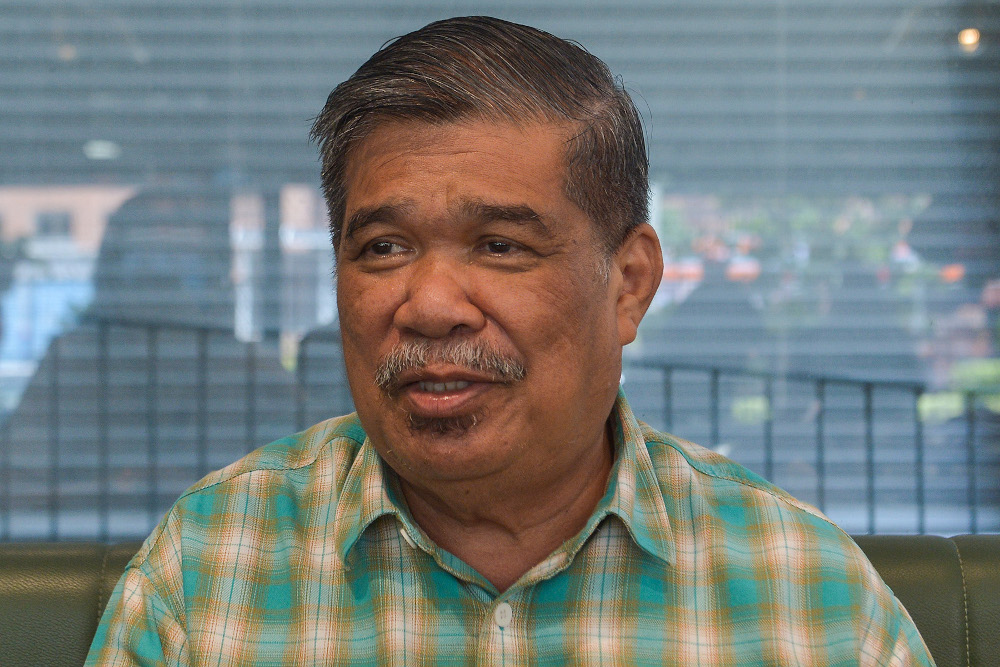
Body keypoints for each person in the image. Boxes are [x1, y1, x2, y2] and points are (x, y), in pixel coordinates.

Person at [86, 16, 934, 666]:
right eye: (383, 247)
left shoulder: (806, 593)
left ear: (629, 283)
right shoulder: (205, 571)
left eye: (500, 245)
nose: (431, 305)